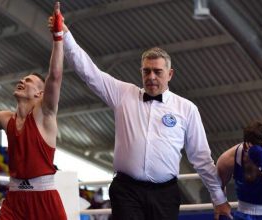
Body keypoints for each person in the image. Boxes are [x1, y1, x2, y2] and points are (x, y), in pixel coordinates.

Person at [48, 14, 231, 220]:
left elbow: (201, 158)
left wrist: (218, 198)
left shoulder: (186, 109)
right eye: (147, 71)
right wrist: (65, 34)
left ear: (170, 74)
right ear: (141, 72)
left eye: (157, 72)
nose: (151, 77)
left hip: (166, 194)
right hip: (127, 191)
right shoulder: (123, 94)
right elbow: (89, 72)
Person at [0, 2, 67, 219]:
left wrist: (58, 37)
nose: (21, 80)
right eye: (22, 78)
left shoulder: (44, 113)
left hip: (43, 197)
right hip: (15, 199)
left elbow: (54, 77)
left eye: (28, 81)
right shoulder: (4, 118)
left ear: (39, 93)